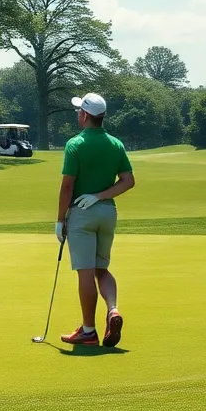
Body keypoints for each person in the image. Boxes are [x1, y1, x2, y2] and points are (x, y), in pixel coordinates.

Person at [55, 93, 135, 347]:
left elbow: (67, 187)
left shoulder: (75, 144)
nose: (78, 114)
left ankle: (88, 331)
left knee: (85, 274)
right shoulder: (115, 144)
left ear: (86, 116)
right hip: (107, 213)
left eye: (79, 111)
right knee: (102, 270)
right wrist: (100, 195)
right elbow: (127, 181)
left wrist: (60, 220)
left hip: (82, 214)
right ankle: (112, 310)